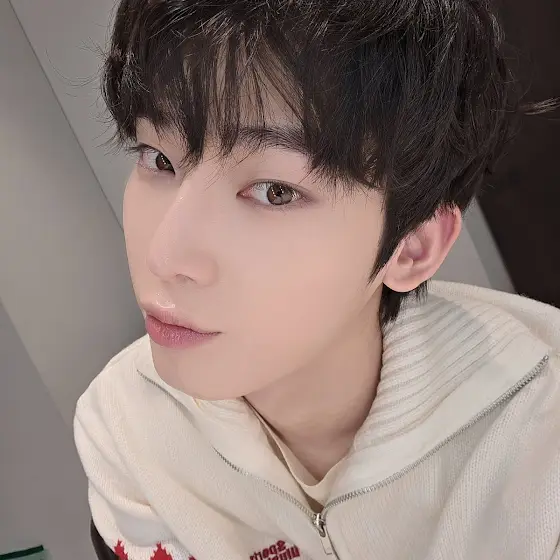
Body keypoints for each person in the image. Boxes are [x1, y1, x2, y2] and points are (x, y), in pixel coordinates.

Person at [74, 1, 560, 559]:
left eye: (275, 192)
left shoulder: (540, 443)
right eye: (159, 159)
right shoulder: (124, 429)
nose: (164, 256)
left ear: (412, 247)